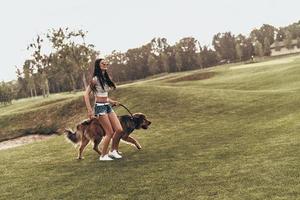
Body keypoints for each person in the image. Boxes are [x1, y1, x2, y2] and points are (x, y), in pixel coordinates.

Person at [84, 58, 123, 161]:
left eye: (106, 63)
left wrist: (112, 101)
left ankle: (113, 151)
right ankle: (103, 156)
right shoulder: (95, 79)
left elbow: (104, 96)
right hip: (100, 107)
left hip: (107, 105)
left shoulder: (106, 78)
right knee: (109, 133)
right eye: (103, 63)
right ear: (98, 65)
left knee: (119, 130)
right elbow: (86, 95)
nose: (105, 64)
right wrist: (89, 110)